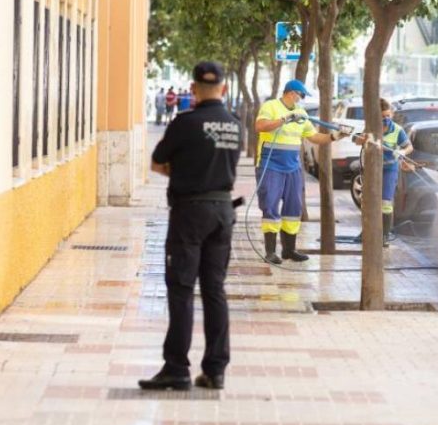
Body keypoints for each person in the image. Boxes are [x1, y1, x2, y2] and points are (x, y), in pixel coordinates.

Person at [139, 61, 241, 391]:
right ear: (223, 89)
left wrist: (183, 174)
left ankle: (176, 368)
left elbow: (157, 162)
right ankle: (215, 369)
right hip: (223, 211)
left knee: (182, 290)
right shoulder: (236, 125)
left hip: (189, 212)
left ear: (194, 89)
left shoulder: (186, 122)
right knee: (215, 290)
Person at [254, 80, 347, 264]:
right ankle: (271, 252)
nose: (301, 100)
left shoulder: (302, 113)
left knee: (293, 207)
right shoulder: (270, 106)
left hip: (293, 167)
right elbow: (260, 126)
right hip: (270, 164)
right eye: (301, 95)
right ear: (292, 93)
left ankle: (289, 250)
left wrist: (334, 136)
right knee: (270, 206)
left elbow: (313, 137)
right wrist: (285, 119)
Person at [354, 98, 413, 245]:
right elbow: (356, 140)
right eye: (383, 116)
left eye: (388, 115)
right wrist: (361, 139)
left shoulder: (398, 130)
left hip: (389, 169)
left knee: (386, 202)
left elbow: (409, 147)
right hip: (372, 169)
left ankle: (384, 235)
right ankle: (367, 231)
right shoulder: (371, 128)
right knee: (368, 202)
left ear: (392, 114)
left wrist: (402, 152)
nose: (386, 118)